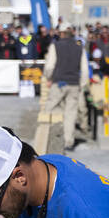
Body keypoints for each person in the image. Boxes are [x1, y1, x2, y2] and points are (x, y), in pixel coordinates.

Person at [41, 23, 88, 151]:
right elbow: (84, 69)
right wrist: (82, 84)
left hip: (59, 83)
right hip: (73, 83)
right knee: (71, 113)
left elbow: (49, 66)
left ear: (61, 33)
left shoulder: (55, 46)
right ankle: (68, 141)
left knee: (50, 108)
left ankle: (48, 137)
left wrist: (49, 78)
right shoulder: (80, 47)